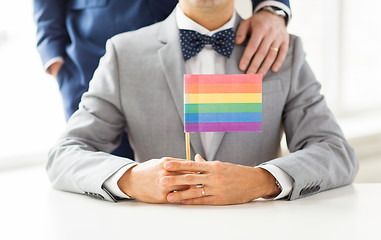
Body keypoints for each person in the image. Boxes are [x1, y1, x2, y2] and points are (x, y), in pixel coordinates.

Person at [48, 0, 358, 205]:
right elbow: (64, 155)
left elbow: (336, 152)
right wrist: (130, 179)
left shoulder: (284, 53)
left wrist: (261, 181)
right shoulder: (123, 53)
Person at [33, 0, 291, 159]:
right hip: (90, 55)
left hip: (191, 40)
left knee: (215, 156)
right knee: (105, 180)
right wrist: (52, 52)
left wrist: (272, 7)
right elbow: (71, 157)